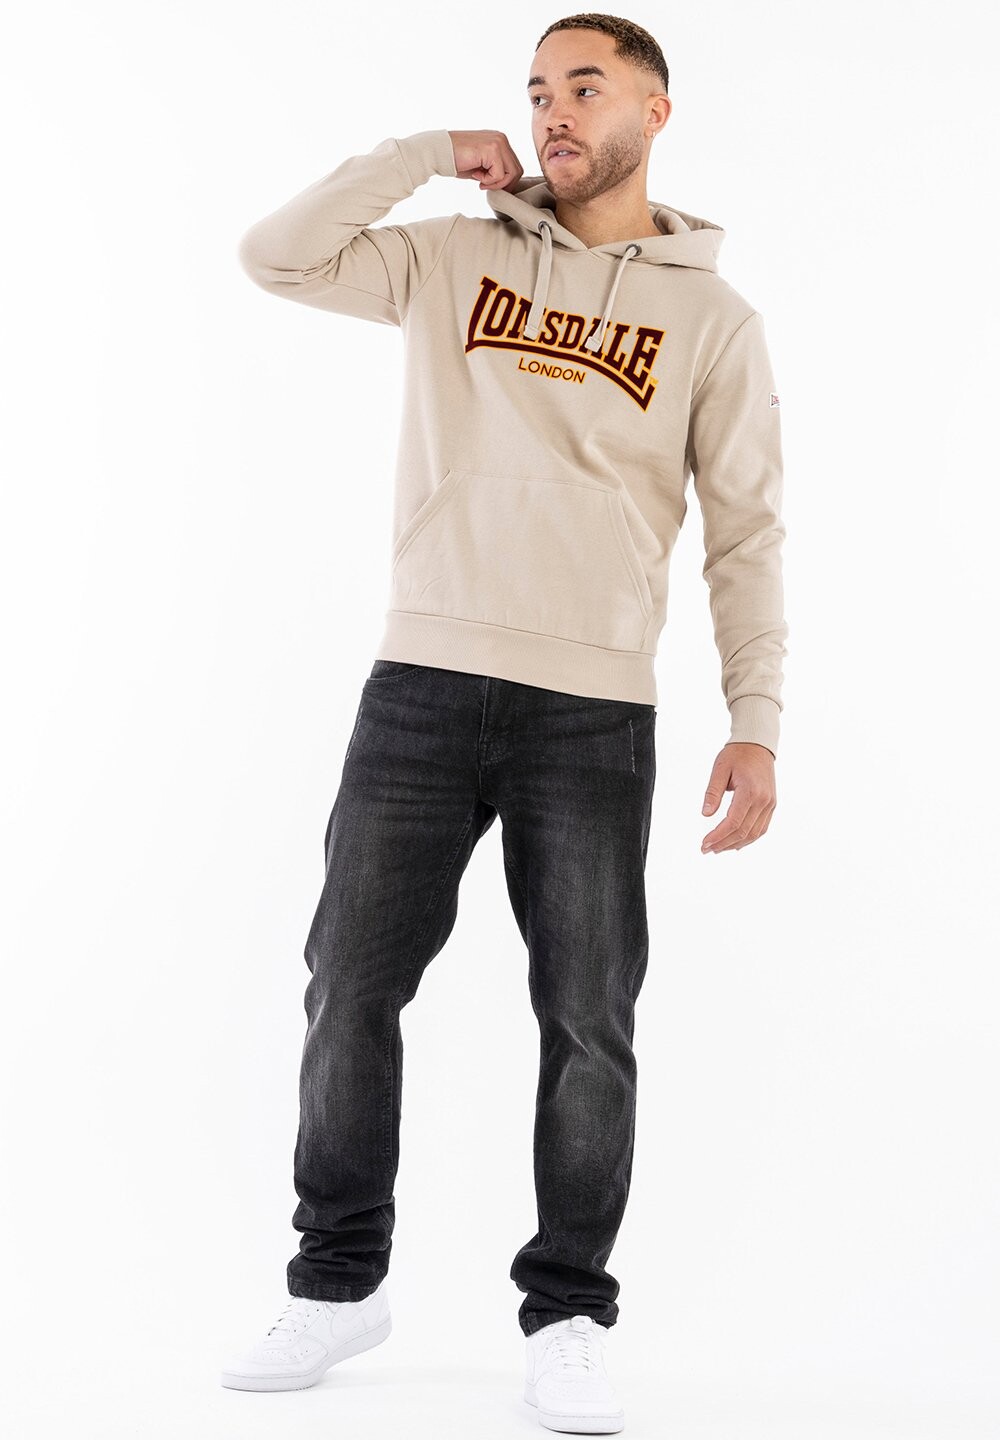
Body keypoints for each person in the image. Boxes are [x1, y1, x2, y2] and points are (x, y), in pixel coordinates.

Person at [220, 12, 788, 1433]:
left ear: (657, 111)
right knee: (349, 984)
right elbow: (274, 256)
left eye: (585, 86)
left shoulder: (713, 320)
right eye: (536, 90)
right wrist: (425, 152)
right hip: (422, 681)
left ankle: (570, 1312)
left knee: (588, 1019)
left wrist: (757, 717)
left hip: (592, 709)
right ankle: (337, 1282)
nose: (552, 112)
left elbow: (747, 534)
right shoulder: (450, 257)